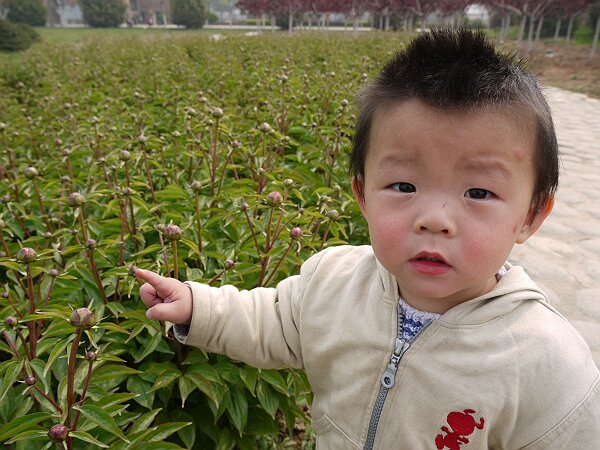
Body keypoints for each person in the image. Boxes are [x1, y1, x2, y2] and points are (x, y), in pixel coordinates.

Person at [136, 27, 600, 449]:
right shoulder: (332, 281)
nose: (435, 220)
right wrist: (200, 307)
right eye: (404, 186)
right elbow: (271, 321)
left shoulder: (547, 363)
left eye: (478, 192)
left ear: (531, 215)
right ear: (362, 194)